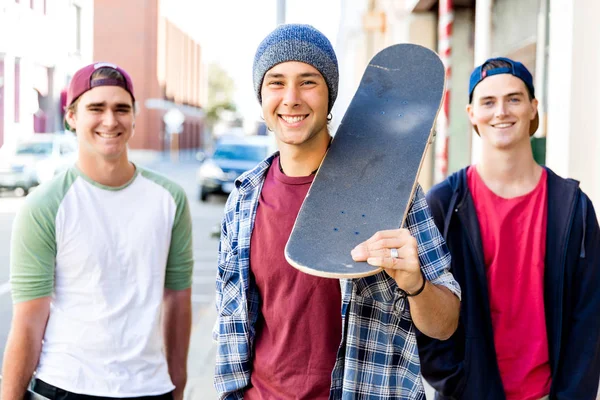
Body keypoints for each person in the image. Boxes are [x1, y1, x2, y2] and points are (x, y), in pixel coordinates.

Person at [213, 23, 461, 400]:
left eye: (308, 82)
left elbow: (445, 325)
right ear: (261, 98)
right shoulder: (244, 199)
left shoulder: (389, 190)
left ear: (330, 96)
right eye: (276, 82)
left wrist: (415, 285)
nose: (291, 98)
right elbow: (231, 327)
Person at [1, 62, 194, 400]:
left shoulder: (170, 199)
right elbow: (28, 324)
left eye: (122, 108)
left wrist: (178, 388)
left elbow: (178, 301)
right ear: (71, 117)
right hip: (65, 386)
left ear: (134, 118)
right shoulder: (44, 205)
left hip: (149, 389)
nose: (110, 120)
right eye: (96, 108)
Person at [418, 57, 600, 399]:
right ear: (471, 114)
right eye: (488, 102)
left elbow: (588, 320)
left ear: (533, 108)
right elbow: (425, 316)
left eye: (514, 99)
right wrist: (462, 386)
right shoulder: (443, 204)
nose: (501, 111)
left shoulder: (572, 207)